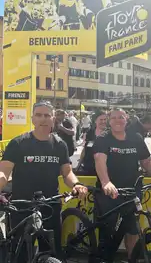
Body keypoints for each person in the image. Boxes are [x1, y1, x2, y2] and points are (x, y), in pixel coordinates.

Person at [0, 101, 88, 262]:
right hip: (22, 206)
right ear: (32, 118)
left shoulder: (60, 145)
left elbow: (67, 172)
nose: (43, 119)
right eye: (39, 115)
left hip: (50, 205)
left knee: (51, 254)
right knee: (20, 255)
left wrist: (76, 184)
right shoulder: (18, 143)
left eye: (47, 115)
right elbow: (4, 172)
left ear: (53, 118)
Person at [93, 108, 151, 262]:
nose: (118, 120)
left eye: (121, 117)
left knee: (133, 230)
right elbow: (100, 160)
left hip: (132, 190)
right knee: (107, 230)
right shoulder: (103, 139)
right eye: (114, 118)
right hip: (109, 191)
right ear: (109, 121)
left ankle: (132, 259)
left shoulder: (136, 138)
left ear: (127, 119)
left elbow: (146, 160)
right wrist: (106, 182)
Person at [77, 109, 107, 175]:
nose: (103, 122)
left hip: (104, 169)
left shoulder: (109, 134)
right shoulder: (90, 133)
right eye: (101, 120)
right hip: (89, 167)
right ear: (95, 121)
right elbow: (85, 149)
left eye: (105, 119)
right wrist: (78, 165)